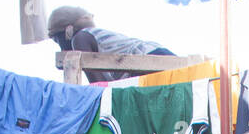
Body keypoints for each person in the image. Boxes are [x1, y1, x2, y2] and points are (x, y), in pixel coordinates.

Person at [46, 7, 174, 82]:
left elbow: (99, 86)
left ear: (68, 32)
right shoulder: (95, 36)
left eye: (57, 40)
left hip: (150, 60)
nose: (60, 47)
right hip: (161, 56)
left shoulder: (80, 38)